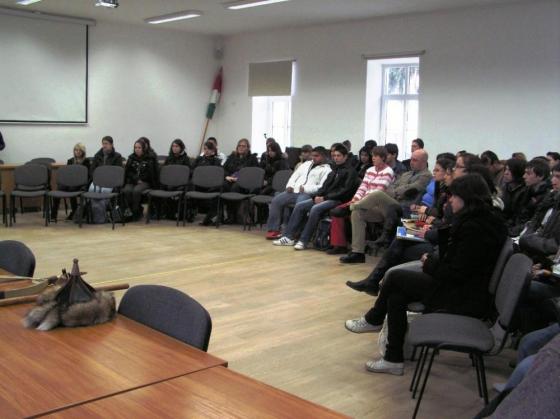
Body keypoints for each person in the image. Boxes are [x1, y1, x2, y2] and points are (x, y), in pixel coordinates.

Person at [345, 174, 507, 375]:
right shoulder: (481, 220)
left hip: (463, 295)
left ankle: (374, 318)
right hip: (462, 283)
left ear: (467, 197)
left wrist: (429, 263)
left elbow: (455, 271)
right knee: (396, 294)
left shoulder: (475, 228)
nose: (450, 200)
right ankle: (392, 358)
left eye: (454, 196)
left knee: (395, 276)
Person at [346, 157, 455, 295]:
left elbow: (443, 220)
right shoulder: (443, 188)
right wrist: (428, 215)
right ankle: (376, 277)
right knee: (399, 224)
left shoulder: (453, 195)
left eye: (442, 171)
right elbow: (437, 212)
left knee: (401, 232)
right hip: (428, 221)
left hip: (434, 228)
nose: (436, 173)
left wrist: (428, 214)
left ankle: (375, 279)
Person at [340, 148, 432, 263]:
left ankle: (353, 205)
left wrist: (396, 191)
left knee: (377, 194)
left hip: (403, 208)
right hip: (390, 206)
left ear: (424, 162)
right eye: (411, 159)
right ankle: (358, 253)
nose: (411, 162)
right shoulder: (406, 174)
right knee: (357, 213)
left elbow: (409, 189)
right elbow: (391, 187)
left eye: (415, 160)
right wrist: (397, 191)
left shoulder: (426, 176)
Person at [272, 143, 357, 250]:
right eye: (334, 155)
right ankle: (288, 237)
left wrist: (324, 198)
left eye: (338, 156)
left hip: (338, 200)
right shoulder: (334, 169)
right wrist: (317, 196)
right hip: (326, 198)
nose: (336, 158)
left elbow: (344, 191)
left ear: (345, 157)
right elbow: (324, 186)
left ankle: (303, 240)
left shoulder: (350, 172)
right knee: (300, 206)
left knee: (315, 209)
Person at [328, 146, 394, 256]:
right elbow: (363, 187)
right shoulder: (370, 170)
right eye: (372, 156)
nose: (373, 158)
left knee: (367, 200)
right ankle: (353, 250)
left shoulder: (388, 171)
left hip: (379, 206)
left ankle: (353, 206)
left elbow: (378, 191)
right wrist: (356, 198)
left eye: (376, 156)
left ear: (383, 158)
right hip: (363, 203)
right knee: (346, 212)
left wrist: (358, 202)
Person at [265, 146, 331, 239]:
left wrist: (305, 188)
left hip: (308, 194)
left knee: (300, 205)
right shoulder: (306, 164)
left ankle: (294, 232)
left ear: (323, 157)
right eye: (313, 155)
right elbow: (294, 176)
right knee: (276, 200)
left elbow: (321, 187)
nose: (313, 158)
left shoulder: (327, 169)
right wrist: (290, 185)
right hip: (294, 190)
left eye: (317, 156)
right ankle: (273, 229)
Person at [51, 143, 91, 221]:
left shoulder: (86, 161)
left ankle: (74, 212)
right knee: (59, 189)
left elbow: (87, 175)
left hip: (81, 184)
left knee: (72, 189)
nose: (77, 152)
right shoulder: (70, 161)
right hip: (70, 183)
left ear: (83, 152)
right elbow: (67, 174)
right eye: (76, 150)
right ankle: (53, 215)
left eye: (79, 150)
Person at [222, 138, 259, 223]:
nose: (241, 148)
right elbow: (223, 169)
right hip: (231, 180)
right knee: (223, 185)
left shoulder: (252, 158)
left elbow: (254, 173)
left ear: (248, 148)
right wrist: (227, 176)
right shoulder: (232, 157)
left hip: (245, 183)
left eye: (243, 146)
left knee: (234, 188)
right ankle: (226, 215)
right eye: (239, 146)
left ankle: (233, 216)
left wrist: (241, 178)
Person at [123, 138, 158, 220]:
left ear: (143, 148)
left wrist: (141, 179)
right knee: (127, 190)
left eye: (139, 148)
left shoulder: (149, 158)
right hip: (133, 181)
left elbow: (151, 173)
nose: (137, 149)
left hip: (145, 181)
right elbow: (128, 172)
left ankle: (136, 212)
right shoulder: (131, 158)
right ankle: (131, 211)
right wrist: (136, 179)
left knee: (136, 191)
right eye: (135, 147)